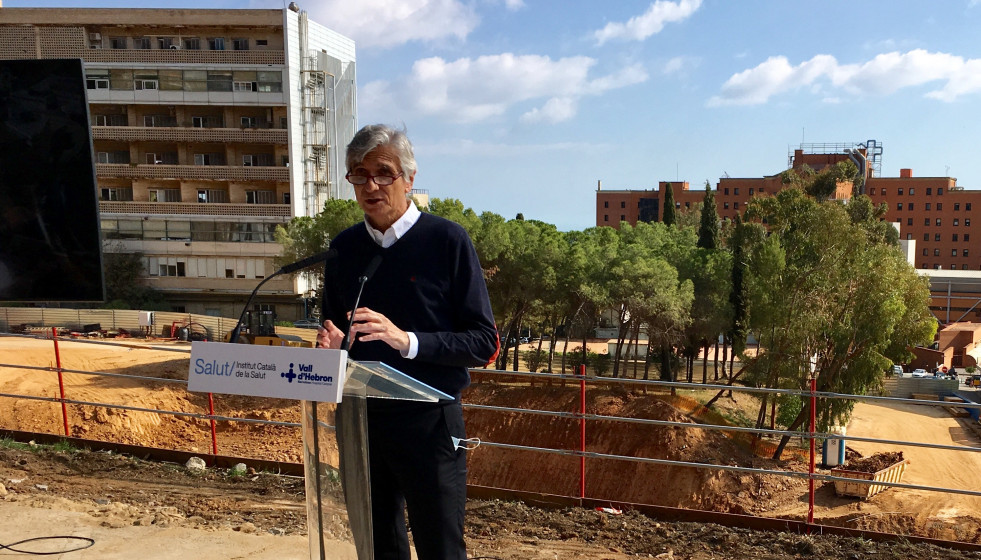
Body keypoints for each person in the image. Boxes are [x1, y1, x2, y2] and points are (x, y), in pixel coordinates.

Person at [316, 124, 499, 560]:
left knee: (441, 550)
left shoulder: (447, 241)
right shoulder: (343, 249)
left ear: (410, 179)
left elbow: (484, 342)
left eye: (384, 173)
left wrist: (407, 341)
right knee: (379, 549)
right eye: (359, 175)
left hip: (429, 425)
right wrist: (333, 346)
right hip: (360, 423)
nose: (371, 185)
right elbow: (334, 332)